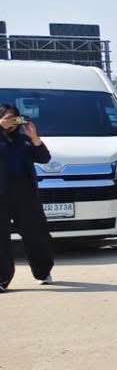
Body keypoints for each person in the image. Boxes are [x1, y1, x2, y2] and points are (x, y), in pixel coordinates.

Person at [0, 105, 55, 291]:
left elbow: (44, 158)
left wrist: (34, 138)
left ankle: (43, 271)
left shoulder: (24, 140)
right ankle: (2, 278)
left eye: (15, 118)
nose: (12, 122)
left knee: (36, 234)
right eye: (8, 118)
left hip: (25, 194)